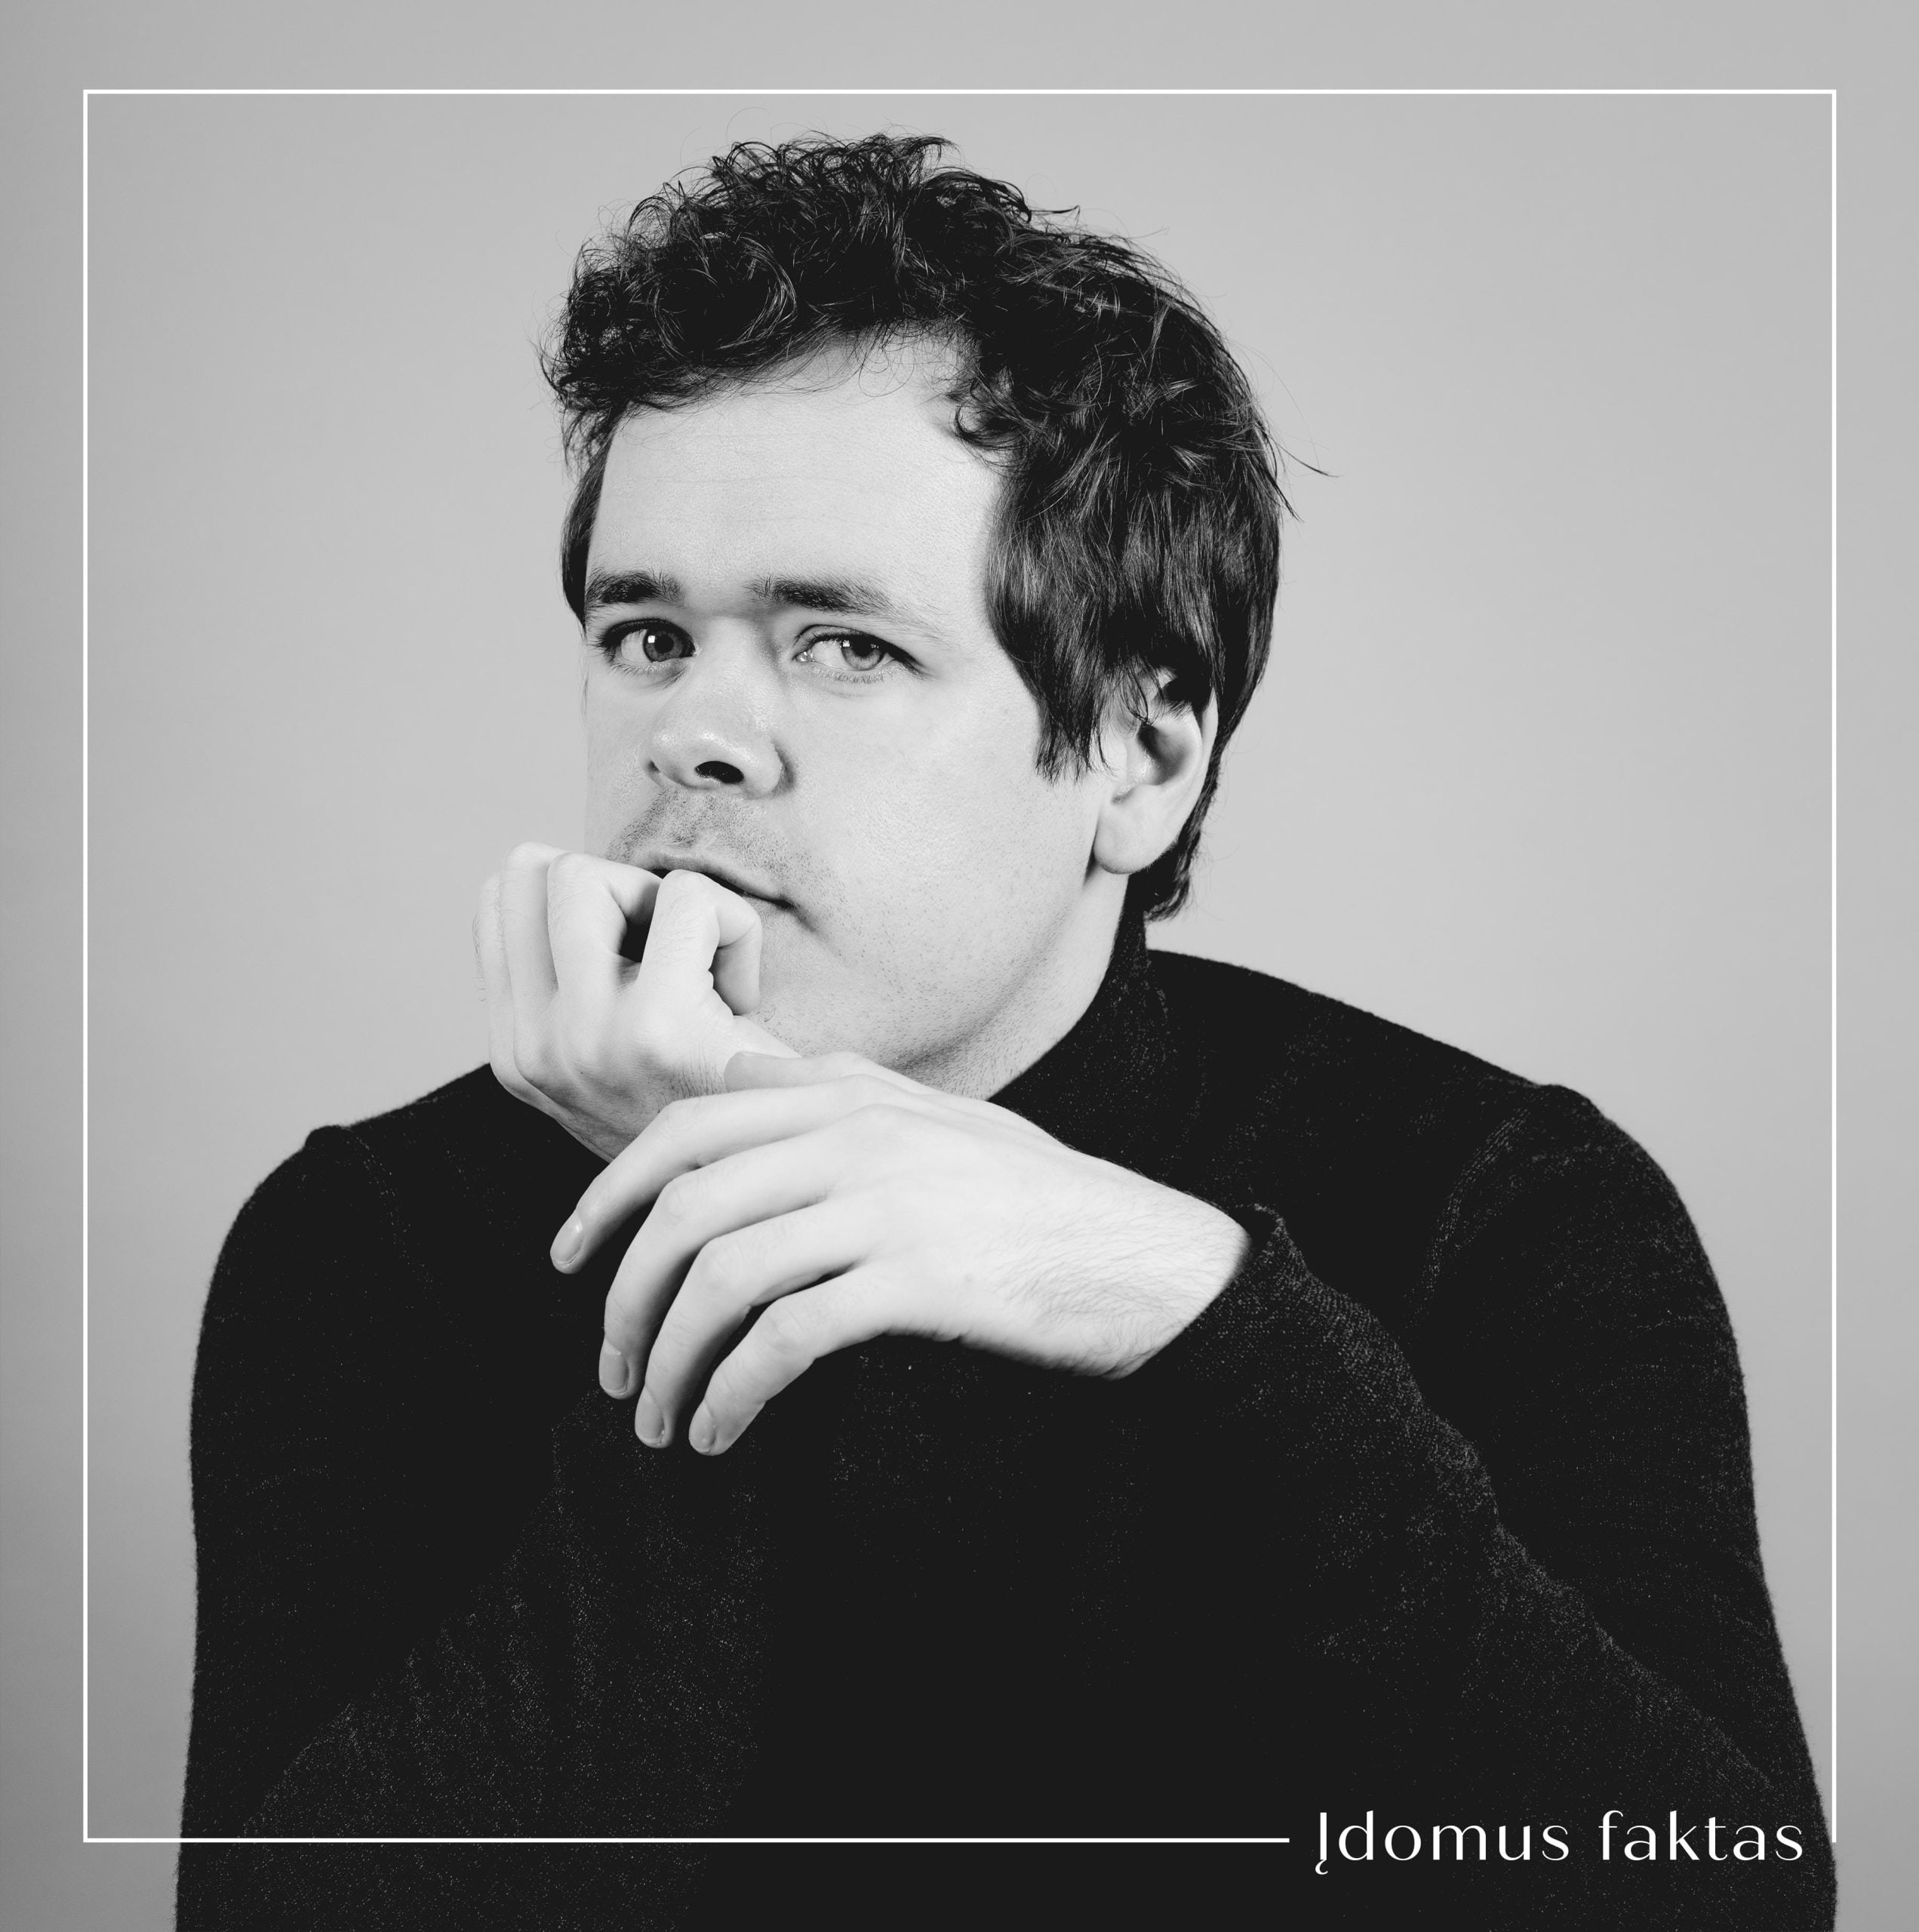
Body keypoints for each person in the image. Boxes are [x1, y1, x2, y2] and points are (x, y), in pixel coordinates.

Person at [177, 133, 1833, 1928]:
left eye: (845, 645)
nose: (693, 736)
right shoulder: (369, 1242)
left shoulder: (1497, 1210)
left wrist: (1205, 1316)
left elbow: (1715, 1896)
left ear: (1142, 752)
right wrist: (707, 1227)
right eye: (646, 633)